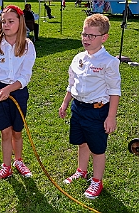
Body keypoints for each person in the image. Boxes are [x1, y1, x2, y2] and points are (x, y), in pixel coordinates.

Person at [59, 14, 121, 199]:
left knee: (97, 149)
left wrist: (111, 117)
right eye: (84, 34)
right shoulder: (78, 58)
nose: (86, 39)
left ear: (104, 37)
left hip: (97, 111)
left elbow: (114, 91)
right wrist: (65, 102)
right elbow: (72, 83)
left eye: (91, 36)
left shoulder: (109, 62)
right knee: (82, 142)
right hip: (78, 108)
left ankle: (97, 181)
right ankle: (82, 171)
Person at [0, 5, 36, 182]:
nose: (6, 25)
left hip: (18, 92)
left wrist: (8, 90)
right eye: (3, 21)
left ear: (20, 23)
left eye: (11, 21)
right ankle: (6, 167)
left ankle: (18, 161)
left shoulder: (27, 46)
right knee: (5, 132)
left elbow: (25, 76)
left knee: (17, 132)